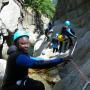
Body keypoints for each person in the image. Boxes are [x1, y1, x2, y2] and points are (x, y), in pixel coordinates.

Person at [2, 30, 70, 90]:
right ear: (16, 44)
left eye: (27, 43)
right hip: (13, 86)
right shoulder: (18, 56)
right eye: (22, 43)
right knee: (38, 86)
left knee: (38, 85)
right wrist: (61, 60)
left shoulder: (18, 52)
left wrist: (49, 59)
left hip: (17, 81)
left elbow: (34, 59)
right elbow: (37, 64)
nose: (27, 46)